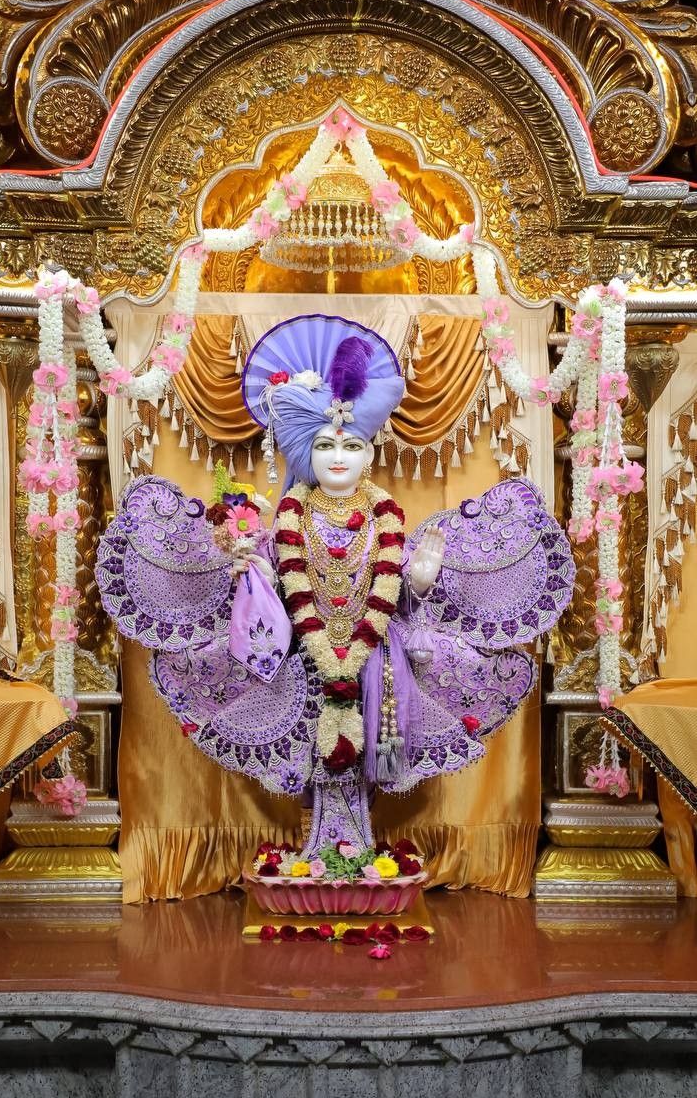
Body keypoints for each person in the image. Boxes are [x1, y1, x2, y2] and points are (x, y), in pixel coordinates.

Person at [97, 315, 574, 862]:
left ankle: (354, 854)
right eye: (324, 445)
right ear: (307, 455)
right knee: (316, 762)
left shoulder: (386, 522)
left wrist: (420, 581)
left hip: (378, 662)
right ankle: (326, 853)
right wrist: (250, 571)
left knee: (368, 757)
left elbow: (397, 590)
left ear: (370, 454)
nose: (338, 456)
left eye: (351, 445)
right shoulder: (286, 523)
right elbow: (273, 588)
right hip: (304, 658)